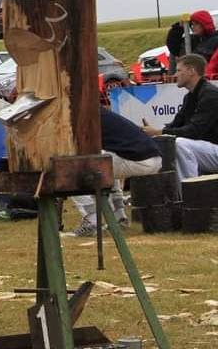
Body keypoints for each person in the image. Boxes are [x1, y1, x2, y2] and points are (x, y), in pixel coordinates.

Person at [70, 108, 162, 237]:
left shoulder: (83, 115)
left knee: (71, 166)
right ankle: (119, 217)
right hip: (152, 157)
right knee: (105, 160)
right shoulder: (95, 112)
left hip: (139, 159)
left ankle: (91, 220)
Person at [143, 54, 218, 191]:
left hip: (214, 148)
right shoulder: (189, 97)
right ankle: (171, 196)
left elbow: (193, 131)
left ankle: (190, 195)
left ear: (191, 71)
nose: (175, 74)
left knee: (179, 144)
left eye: (179, 70)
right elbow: (174, 126)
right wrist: (150, 133)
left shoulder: (210, 95)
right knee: (165, 143)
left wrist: (159, 132)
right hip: (207, 150)